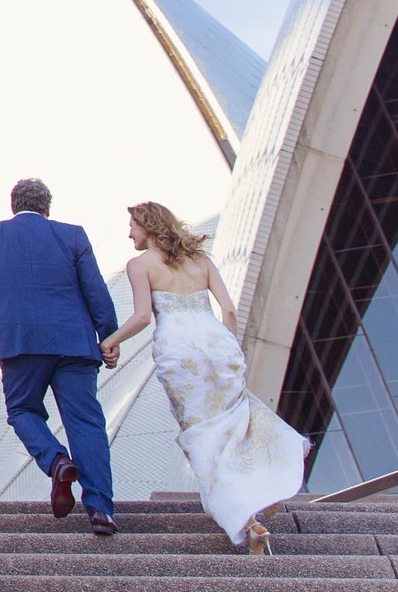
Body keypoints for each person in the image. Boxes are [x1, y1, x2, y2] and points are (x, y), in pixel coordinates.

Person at [99, 201, 306, 554]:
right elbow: (227, 309)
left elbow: (143, 317)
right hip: (217, 344)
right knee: (236, 421)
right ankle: (264, 488)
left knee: (201, 434)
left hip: (179, 353)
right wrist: (232, 348)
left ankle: (245, 518)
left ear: (148, 226)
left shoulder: (140, 265)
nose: (129, 232)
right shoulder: (201, 261)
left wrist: (110, 341)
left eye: (133, 225)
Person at [0, 177, 121, 535]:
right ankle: (101, 511)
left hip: (21, 343)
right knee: (86, 423)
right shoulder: (73, 236)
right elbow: (94, 288)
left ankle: (56, 460)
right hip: (74, 344)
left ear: (13, 206)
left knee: (22, 410)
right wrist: (108, 335)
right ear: (48, 209)